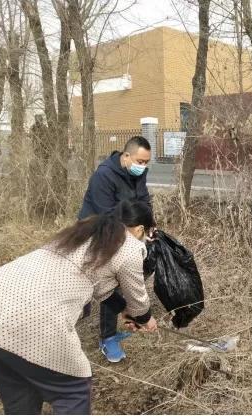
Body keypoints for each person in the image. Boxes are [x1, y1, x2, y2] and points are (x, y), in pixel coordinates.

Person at [0, 200, 158, 414]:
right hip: (32, 315)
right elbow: (138, 299)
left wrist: (123, 309)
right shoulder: (130, 245)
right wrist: (144, 319)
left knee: (20, 396)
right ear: (140, 229)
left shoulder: (86, 231)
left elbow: (98, 284)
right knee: (73, 390)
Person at [78, 135, 154, 363]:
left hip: (127, 229)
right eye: (140, 162)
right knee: (101, 280)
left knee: (118, 280)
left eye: (146, 162)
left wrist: (149, 225)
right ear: (126, 155)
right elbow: (106, 215)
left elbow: (143, 200)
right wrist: (130, 240)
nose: (143, 167)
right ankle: (105, 335)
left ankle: (110, 330)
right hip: (96, 230)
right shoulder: (104, 176)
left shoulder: (137, 173)